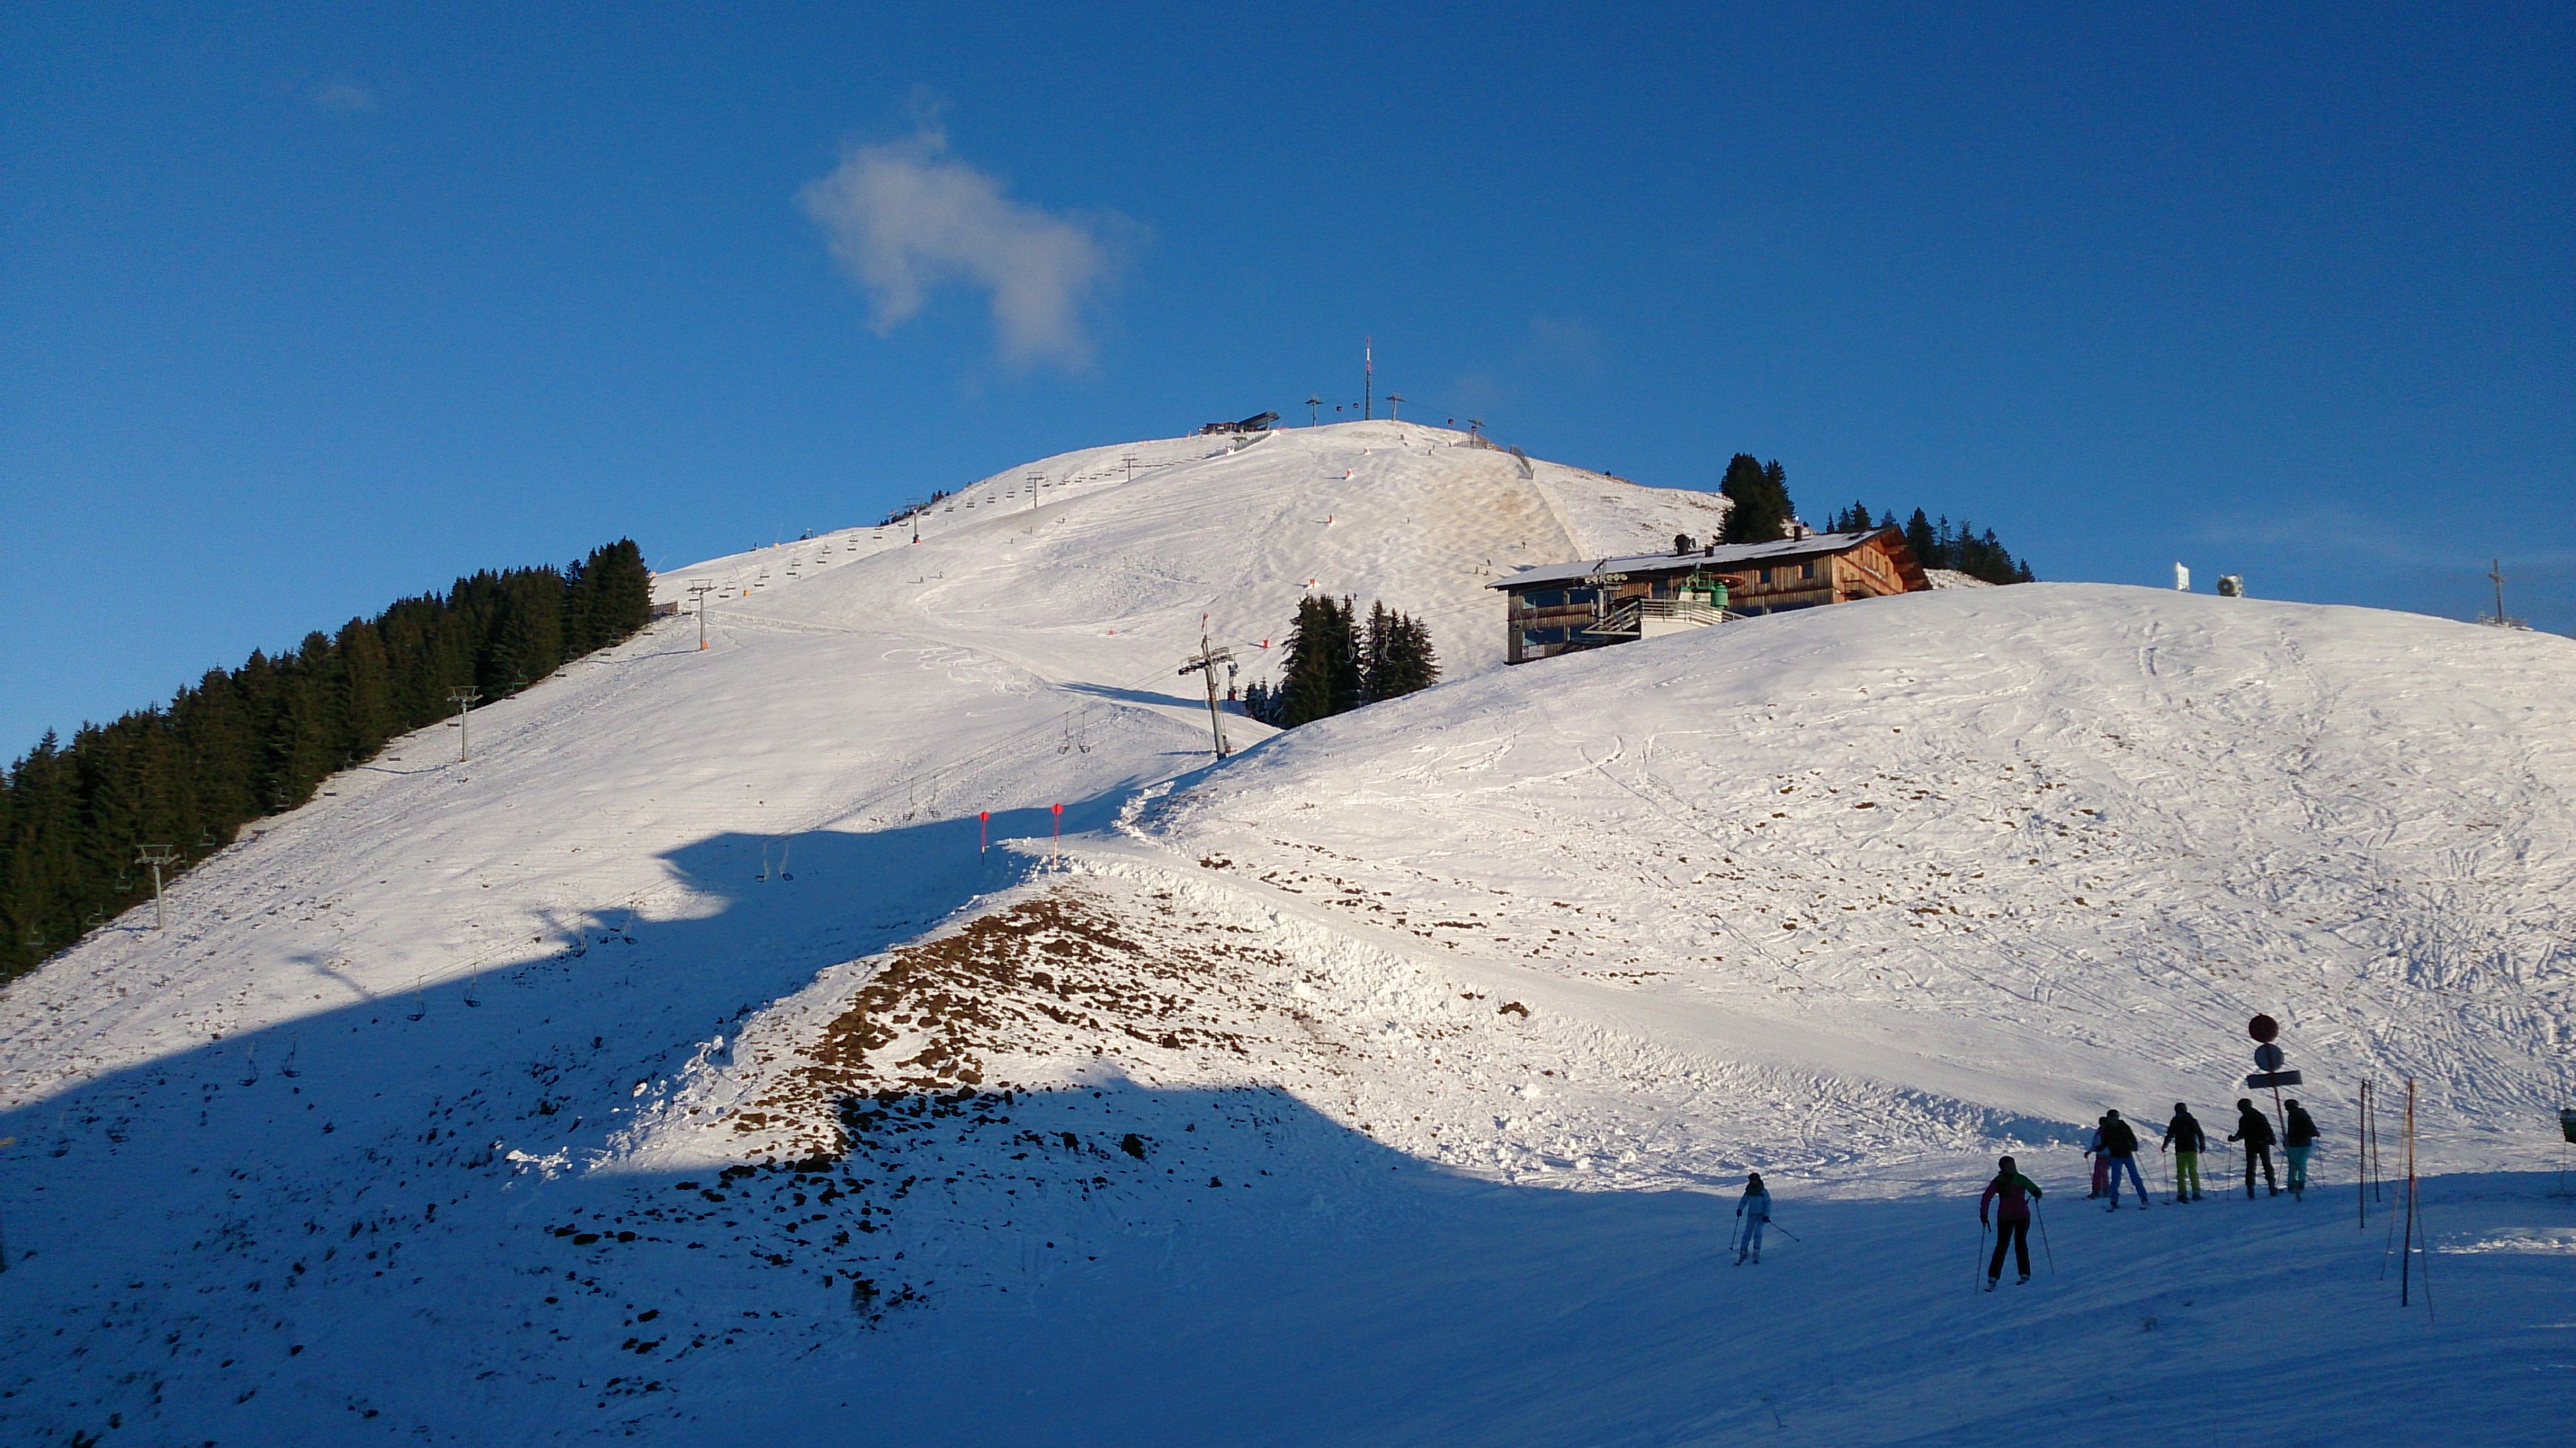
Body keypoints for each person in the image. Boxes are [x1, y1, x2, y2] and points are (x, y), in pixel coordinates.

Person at [1979, 1156, 2044, 1289]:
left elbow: (2035, 1189)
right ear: (2003, 1168)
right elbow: (1987, 1197)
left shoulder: (2021, 1179)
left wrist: (2036, 1193)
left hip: (2022, 1217)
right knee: (2002, 1246)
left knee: (2020, 1243)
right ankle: (1993, 1278)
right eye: (2008, 1166)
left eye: (2012, 1165)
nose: (2011, 1168)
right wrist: (1984, 1213)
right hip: (2005, 1218)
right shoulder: (1998, 1181)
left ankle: (2025, 1274)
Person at [2099, 1109, 2150, 1210]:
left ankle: (2144, 1198)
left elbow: (2132, 1137)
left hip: (2127, 1154)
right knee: (2116, 1179)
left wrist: (2134, 1145)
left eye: (2115, 1117)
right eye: (2112, 1117)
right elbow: (2104, 1142)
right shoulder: (2107, 1129)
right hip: (2116, 1156)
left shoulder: (2124, 1127)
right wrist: (2098, 1148)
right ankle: (2114, 1200)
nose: (2114, 1119)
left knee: (2135, 1177)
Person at [2228, 1098, 2278, 1197]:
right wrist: (2271, 1139)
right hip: (2261, 1143)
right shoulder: (2258, 1116)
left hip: (2252, 1144)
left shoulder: (2245, 1118)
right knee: (2266, 1165)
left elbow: (2242, 1133)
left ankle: (2251, 1190)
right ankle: (2272, 1188)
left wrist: (2235, 1138)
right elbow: (2267, 1129)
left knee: (2251, 1166)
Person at [2161, 1102, 2207, 1202]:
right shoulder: (2192, 1120)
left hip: (2181, 1150)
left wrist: (2165, 1145)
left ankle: (2182, 1194)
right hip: (2192, 1149)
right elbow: (2200, 1134)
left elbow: (2170, 1134)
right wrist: (2202, 1145)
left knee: (2181, 1173)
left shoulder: (2175, 1121)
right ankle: (2196, 1193)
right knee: (2193, 1172)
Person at [2283, 1100, 2320, 1199]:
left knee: (2293, 1164)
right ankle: (2301, 1182)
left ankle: (2292, 1184)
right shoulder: (2304, 1114)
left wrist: (2287, 1140)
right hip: (2306, 1142)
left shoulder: (2293, 1115)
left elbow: (2293, 1131)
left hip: (2294, 1143)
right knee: (2302, 1163)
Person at [1734, 1172, 1771, 1265]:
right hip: (1751, 1214)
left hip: (1761, 1215)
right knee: (1748, 1232)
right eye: (1752, 1180)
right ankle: (1743, 1250)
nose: (1753, 1182)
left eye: (1755, 1180)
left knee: (1758, 1233)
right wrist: (1740, 1209)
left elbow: (1768, 1204)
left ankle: (1756, 1250)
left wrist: (1766, 1215)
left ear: (1758, 1180)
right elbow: (1744, 1201)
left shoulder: (1763, 1192)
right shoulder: (1749, 1191)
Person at [2083, 1117, 2109, 1198]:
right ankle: (2096, 1191)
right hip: (2099, 1156)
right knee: (2097, 1174)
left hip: (2107, 1156)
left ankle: (2106, 1191)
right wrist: (2089, 1152)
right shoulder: (2098, 1133)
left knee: (2103, 1173)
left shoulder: (2109, 1133)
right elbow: (2095, 1144)